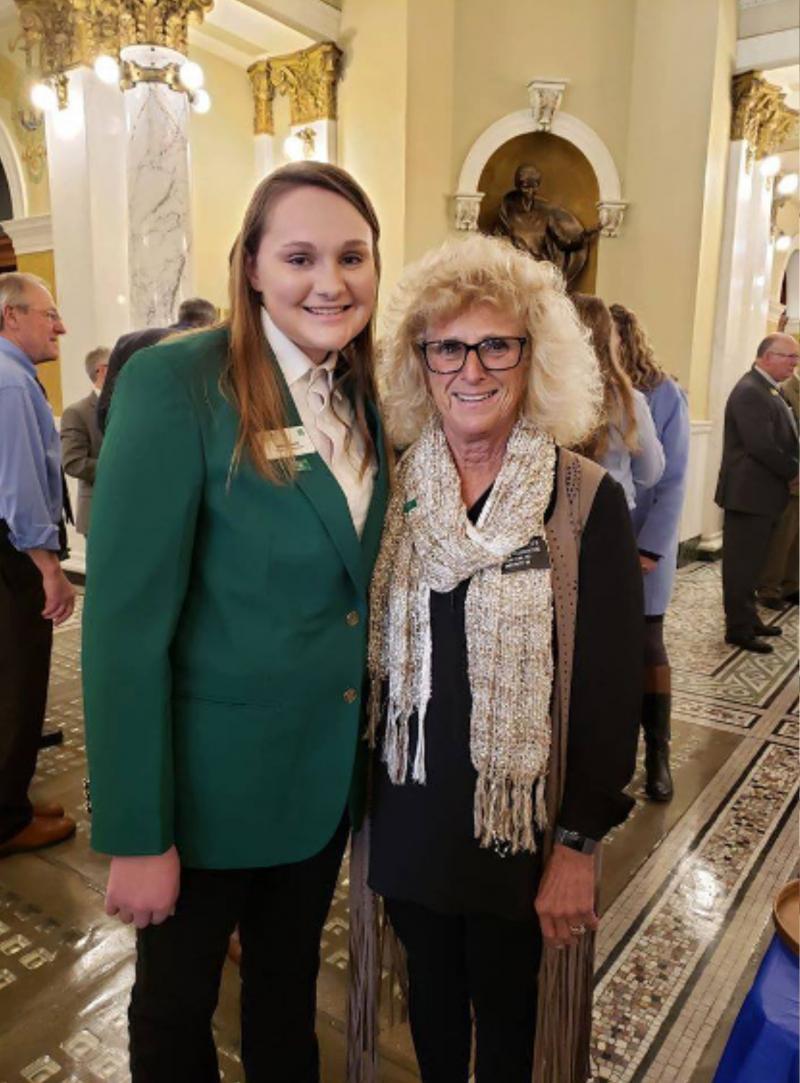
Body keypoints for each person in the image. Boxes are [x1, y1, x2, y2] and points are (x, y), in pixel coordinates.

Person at [82, 162, 389, 1083]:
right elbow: (124, 627)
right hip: (202, 795)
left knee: (288, 994)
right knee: (175, 1013)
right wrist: (138, 831)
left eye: (352, 256)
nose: (328, 282)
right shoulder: (180, 382)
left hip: (320, 780)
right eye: (299, 256)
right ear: (251, 265)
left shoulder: (364, 392)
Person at [353, 235, 643, 1083]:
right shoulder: (397, 492)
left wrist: (579, 843)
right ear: (421, 362)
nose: (469, 369)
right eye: (447, 346)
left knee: (511, 1020)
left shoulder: (585, 501)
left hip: (521, 831)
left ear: (532, 357)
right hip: (408, 818)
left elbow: (608, 692)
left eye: (495, 345)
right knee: (434, 1014)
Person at [0, 271, 76, 856]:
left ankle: (12, 798)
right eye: (49, 315)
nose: (60, 326)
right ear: (11, 318)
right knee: (18, 686)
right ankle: (8, 819)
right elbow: (21, 489)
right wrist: (49, 568)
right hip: (14, 557)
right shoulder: (13, 385)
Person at [611, 303, 690, 802]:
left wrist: (651, 547)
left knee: (647, 645)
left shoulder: (664, 394)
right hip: (600, 543)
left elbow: (673, 478)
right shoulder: (589, 390)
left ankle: (658, 753)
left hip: (643, 545)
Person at [715, 334, 799, 653]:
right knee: (740, 565)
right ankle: (737, 629)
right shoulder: (750, 390)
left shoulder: (767, 388)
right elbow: (761, 446)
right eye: (788, 356)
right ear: (765, 356)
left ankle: (750, 620)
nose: (794, 363)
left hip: (764, 494)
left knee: (754, 564)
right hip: (748, 495)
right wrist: (794, 471)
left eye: (795, 357)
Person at [572, 293, 664, 508]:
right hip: (610, 508)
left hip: (555, 514)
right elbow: (650, 471)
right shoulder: (626, 399)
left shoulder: (543, 393)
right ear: (608, 338)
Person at [97, 296, 218, 431]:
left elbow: (104, 409)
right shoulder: (198, 346)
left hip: (121, 437)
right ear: (210, 324)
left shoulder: (126, 342)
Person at [757, 365, 799, 609]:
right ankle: (769, 588)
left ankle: (792, 584)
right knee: (782, 536)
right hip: (791, 474)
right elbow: (780, 435)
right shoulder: (784, 391)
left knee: (797, 537)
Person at [61, 346, 109, 536]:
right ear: (103, 370)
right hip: (98, 513)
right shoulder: (77, 412)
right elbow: (73, 463)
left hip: (131, 511)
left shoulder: (129, 407)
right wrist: (118, 470)